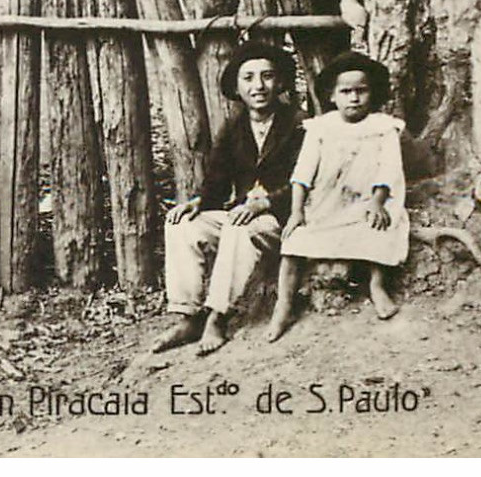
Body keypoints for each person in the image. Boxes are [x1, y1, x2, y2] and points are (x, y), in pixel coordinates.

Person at [153, 41, 306, 356]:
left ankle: (218, 318)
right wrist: (200, 202)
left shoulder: (298, 123)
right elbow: (218, 177)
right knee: (184, 225)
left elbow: (310, 180)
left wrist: (266, 202)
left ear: (280, 82)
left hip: (281, 219)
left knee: (238, 225)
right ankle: (188, 315)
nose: (258, 86)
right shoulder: (235, 126)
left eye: (267, 76)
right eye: (248, 78)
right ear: (237, 86)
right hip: (243, 215)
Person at [267, 50, 410, 342]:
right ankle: (284, 304)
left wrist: (377, 201)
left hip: (369, 201)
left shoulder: (384, 128)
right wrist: (297, 211)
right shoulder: (320, 128)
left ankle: (377, 286)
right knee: (295, 242)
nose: (354, 98)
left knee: (380, 229)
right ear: (332, 96)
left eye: (361, 91)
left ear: (373, 93)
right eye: (346, 92)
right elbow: (302, 174)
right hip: (328, 204)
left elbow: (389, 169)